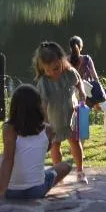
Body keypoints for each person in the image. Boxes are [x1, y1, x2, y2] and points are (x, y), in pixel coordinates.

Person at [0, 84, 72, 200]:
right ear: (38, 106)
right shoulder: (48, 130)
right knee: (66, 166)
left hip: (11, 192)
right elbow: (44, 150)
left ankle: (6, 185)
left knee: (3, 157)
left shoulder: (9, 129)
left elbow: (8, 159)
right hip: (37, 191)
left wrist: (1, 191)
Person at [33, 41, 88, 183]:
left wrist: (82, 92)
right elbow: (43, 104)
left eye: (56, 68)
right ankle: (59, 174)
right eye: (48, 70)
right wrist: (45, 123)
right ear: (42, 68)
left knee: (75, 142)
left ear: (62, 60)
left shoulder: (69, 73)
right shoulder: (44, 82)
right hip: (54, 119)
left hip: (71, 115)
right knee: (55, 145)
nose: (53, 73)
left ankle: (80, 171)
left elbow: (79, 81)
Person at [68, 35, 103, 106]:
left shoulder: (65, 60)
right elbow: (95, 77)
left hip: (70, 93)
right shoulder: (87, 59)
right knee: (83, 114)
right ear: (81, 47)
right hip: (84, 92)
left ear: (70, 48)